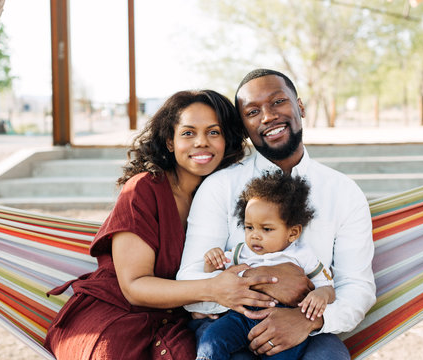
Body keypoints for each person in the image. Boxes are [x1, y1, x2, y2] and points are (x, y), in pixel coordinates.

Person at [44, 90, 279, 360]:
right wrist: (214, 288)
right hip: (116, 313)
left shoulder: (225, 194)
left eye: (214, 132)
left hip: (175, 323)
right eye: (188, 133)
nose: (202, 142)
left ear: (227, 140)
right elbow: (134, 287)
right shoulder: (144, 189)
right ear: (170, 141)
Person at [177, 69, 376, 360]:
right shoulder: (220, 187)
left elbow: (357, 287)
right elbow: (190, 280)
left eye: (278, 101)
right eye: (253, 111)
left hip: (310, 331)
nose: (268, 116)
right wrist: (265, 281)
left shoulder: (343, 192)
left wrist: (308, 320)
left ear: (301, 107)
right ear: (244, 126)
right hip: (229, 324)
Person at [195, 170, 335, 360]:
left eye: (266, 229)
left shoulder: (302, 255)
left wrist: (321, 294)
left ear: (293, 233)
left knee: (283, 355)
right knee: (212, 339)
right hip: (241, 317)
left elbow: (327, 286)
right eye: (249, 227)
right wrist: (212, 262)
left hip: (284, 319)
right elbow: (217, 276)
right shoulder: (241, 252)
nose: (255, 235)